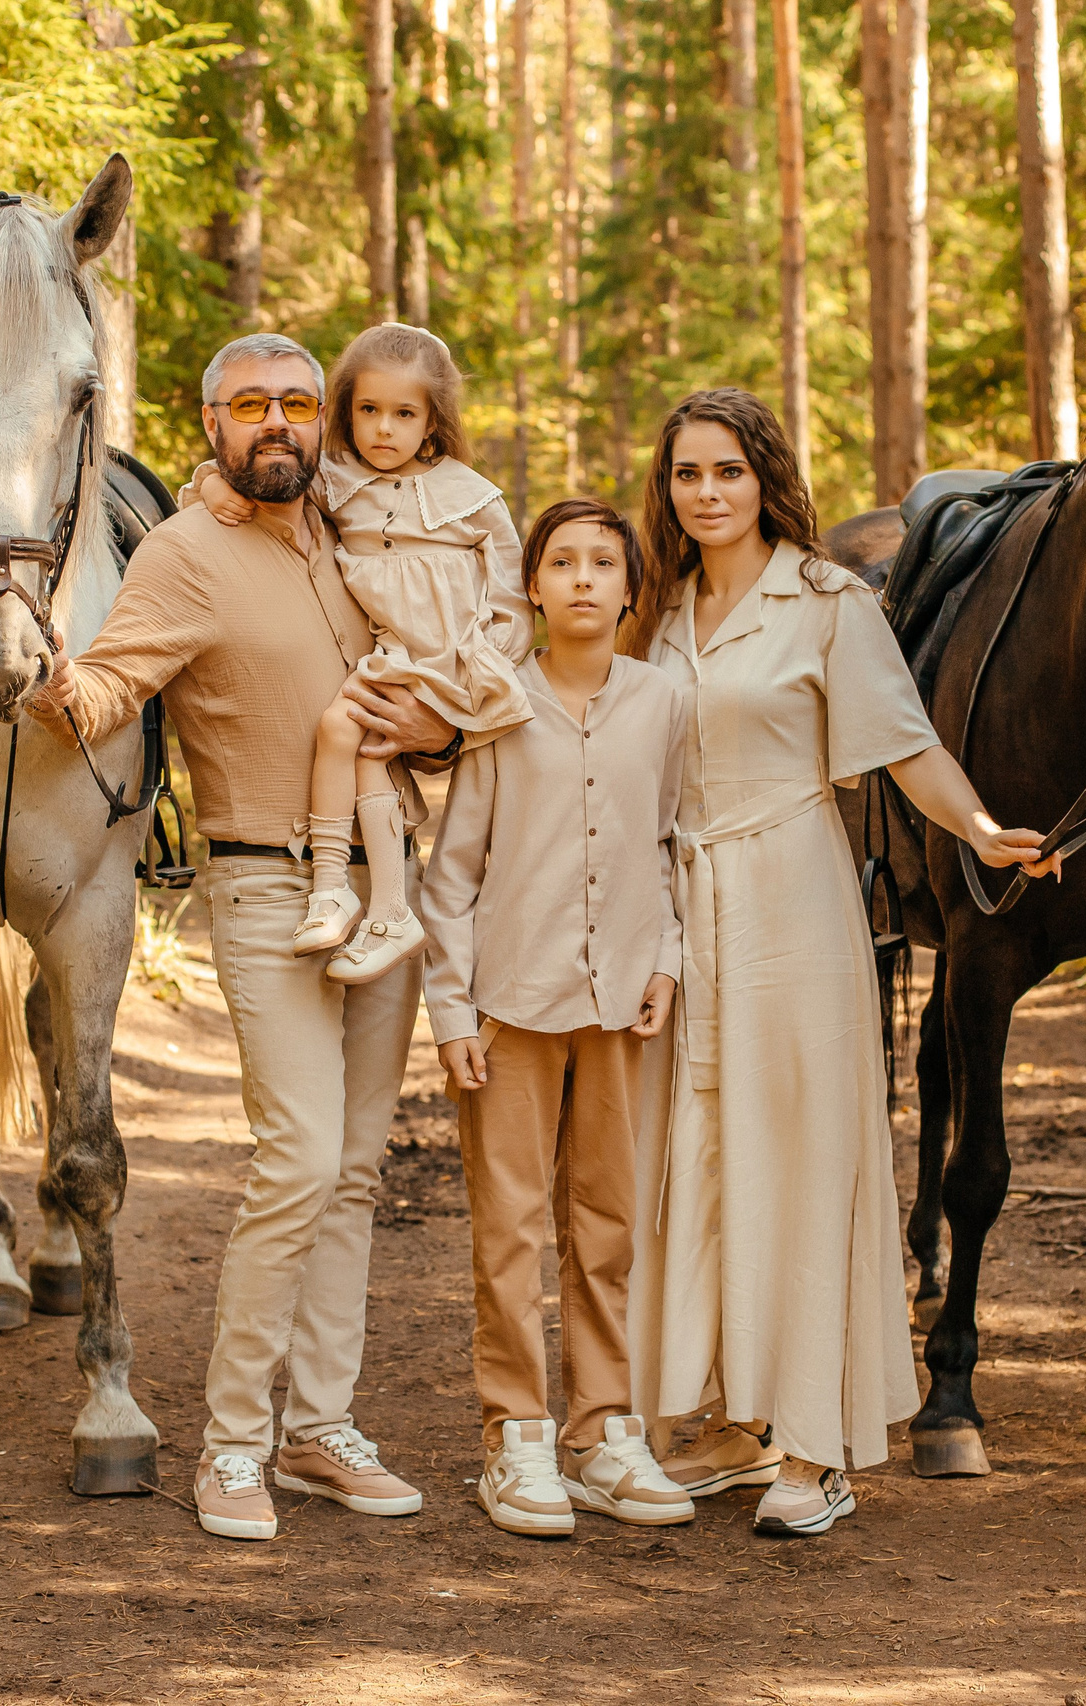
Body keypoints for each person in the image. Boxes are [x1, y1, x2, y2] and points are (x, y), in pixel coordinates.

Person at [30, 333, 467, 1542]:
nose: (275, 422)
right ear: (209, 418)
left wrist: (433, 728)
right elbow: (110, 688)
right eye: (249, 405)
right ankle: (234, 1442)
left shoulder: (354, 530)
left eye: (294, 402)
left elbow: (435, 693)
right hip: (268, 889)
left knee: (360, 1170)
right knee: (300, 1160)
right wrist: (56, 680)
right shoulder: (182, 553)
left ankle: (319, 1426)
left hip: (386, 883)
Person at [621, 389, 1060, 1538]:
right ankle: (724, 1418)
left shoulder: (824, 603)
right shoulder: (656, 614)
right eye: (685, 475)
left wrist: (976, 828)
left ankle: (813, 1446)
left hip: (793, 898)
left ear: (766, 478)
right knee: (702, 1158)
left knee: (803, 1156)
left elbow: (904, 742)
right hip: (683, 905)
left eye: (727, 471)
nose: (706, 493)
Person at [421, 497, 699, 1537]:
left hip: (620, 1002)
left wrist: (665, 957)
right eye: (562, 562)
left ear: (632, 587)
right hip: (508, 1005)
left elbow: (667, 840)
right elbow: (449, 877)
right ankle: (515, 1433)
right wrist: (450, 1007)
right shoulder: (500, 706)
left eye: (603, 562)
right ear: (532, 586)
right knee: (509, 1226)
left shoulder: (664, 701)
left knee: (609, 1225)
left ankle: (602, 1430)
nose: (583, 578)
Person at [186, 323, 531, 985]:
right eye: (368, 411)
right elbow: (260, 475)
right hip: (394, 659)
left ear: (431, 425)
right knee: (345, 736)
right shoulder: (337, 482)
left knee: (355, 736)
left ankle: (359, 900)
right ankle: (354, 898)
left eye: (404, 415)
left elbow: (513, 597)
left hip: (453, 662)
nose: (383, 429)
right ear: (345, 411)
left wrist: (482, 671)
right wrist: (211, 487)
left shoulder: (473, 496)